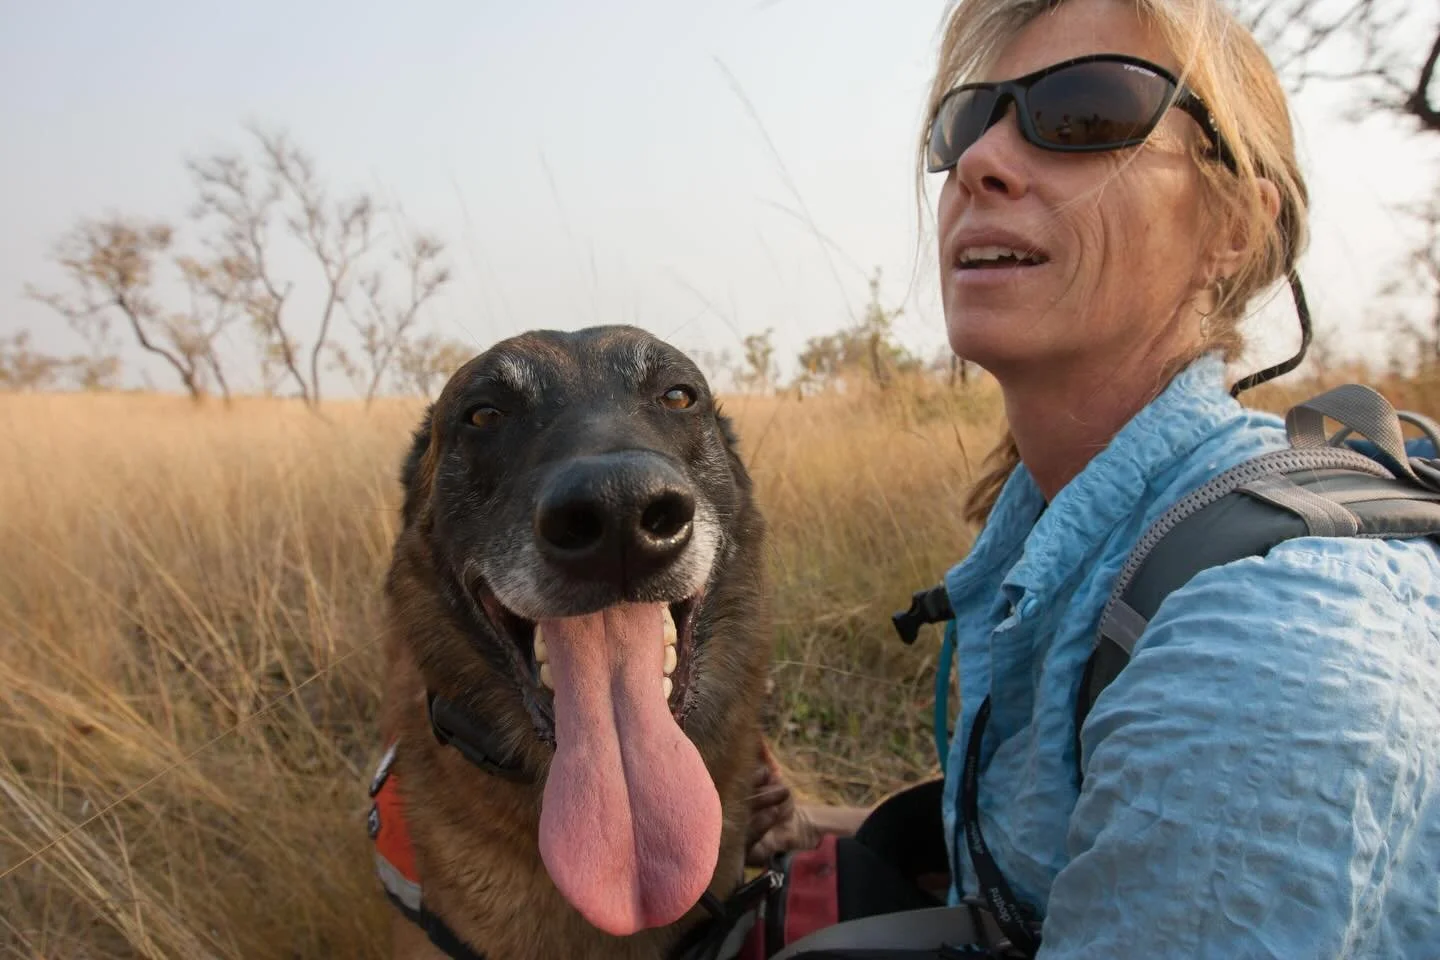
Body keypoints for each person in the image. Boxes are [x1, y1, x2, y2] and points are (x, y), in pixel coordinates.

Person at [746, 0, 1440, 956]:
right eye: (968, 118)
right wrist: (814, 823)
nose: (980, 160)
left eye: (1083, 113)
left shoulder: (1263, 649)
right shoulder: (1058, 528)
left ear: (1234, 225)